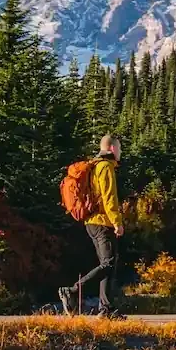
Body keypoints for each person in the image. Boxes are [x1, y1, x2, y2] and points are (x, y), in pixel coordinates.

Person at [60, 133, 125, 318]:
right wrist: (117, 222)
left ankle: (106, 310)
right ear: (112, 148)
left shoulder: (94, 166)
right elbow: (109, 198)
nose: (120, 152)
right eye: (119, 148)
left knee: (107, 265)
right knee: (109, 263)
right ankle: (72, 291)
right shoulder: (105, 167)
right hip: (103, 223)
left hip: (91, 222)